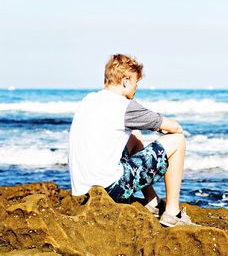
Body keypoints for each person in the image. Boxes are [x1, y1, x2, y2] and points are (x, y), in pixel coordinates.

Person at [68, 54, 196, 227]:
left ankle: (152, 201)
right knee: (178, 140)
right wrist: (164, 130)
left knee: (134, 135)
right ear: (125, 80)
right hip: (110, 190)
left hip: (83, 192)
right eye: (136, 82)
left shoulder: (88, 100)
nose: (136, 88)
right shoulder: (123, 106)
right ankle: (173, 213)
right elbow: (174, 127)